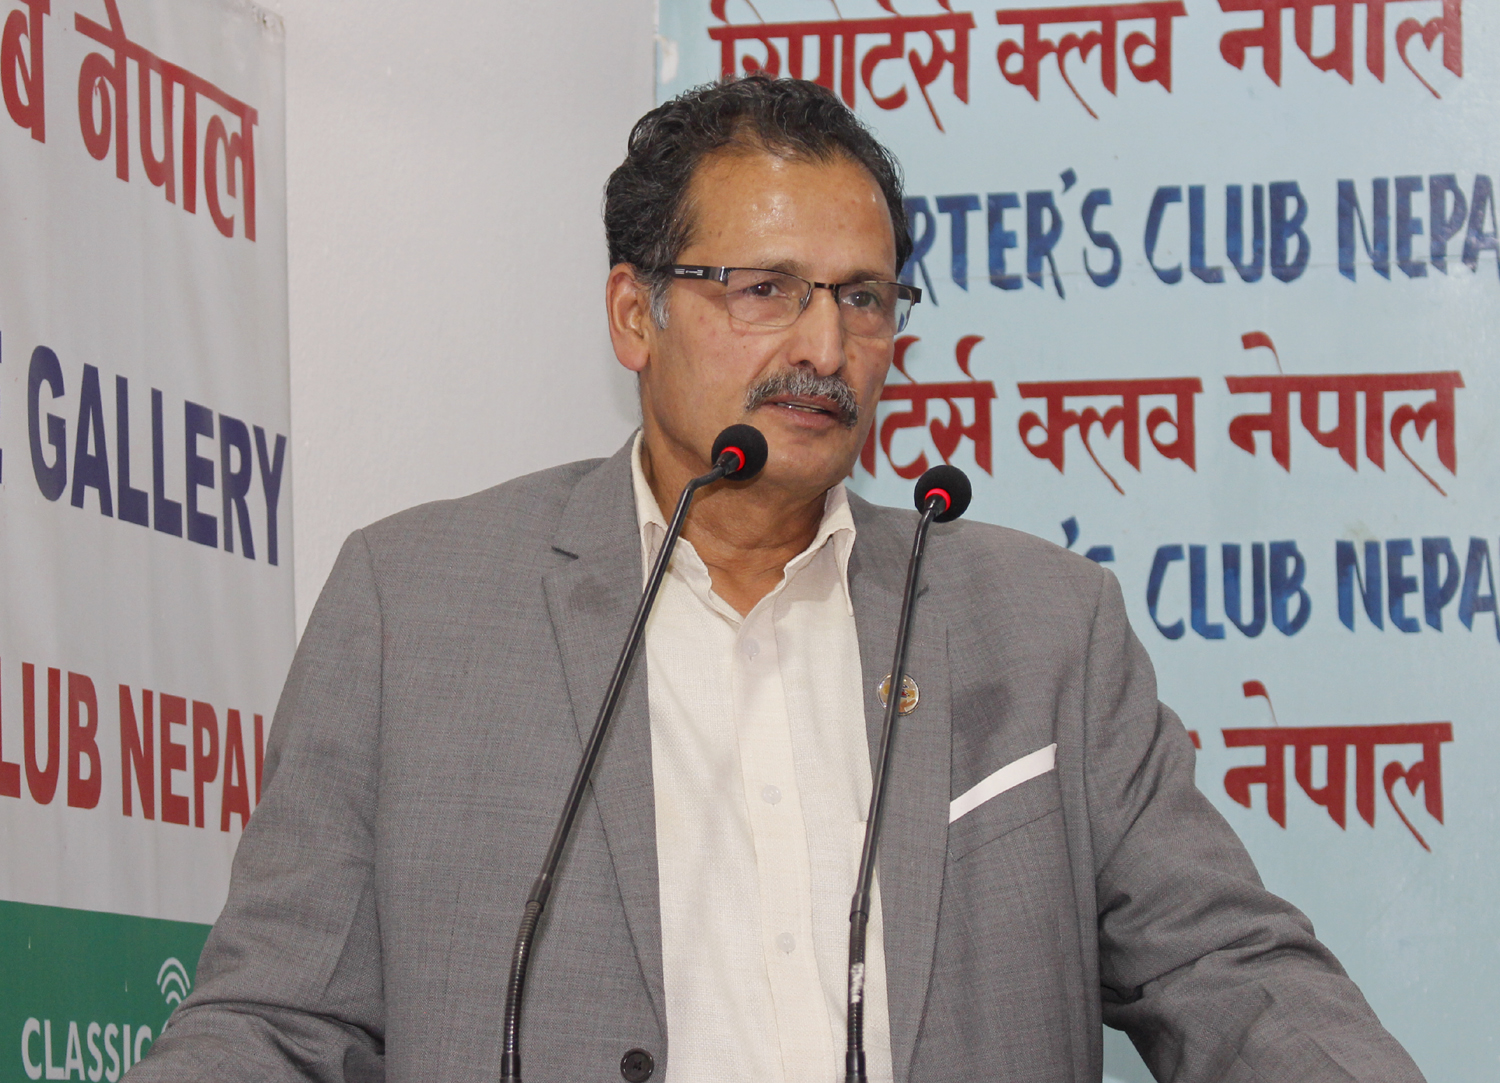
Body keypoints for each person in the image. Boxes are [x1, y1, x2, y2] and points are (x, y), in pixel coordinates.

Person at [128, 76, 1423, 1083]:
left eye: (864, 299)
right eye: (765, 291)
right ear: (633, 314)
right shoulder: (413, 609)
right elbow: (277, 1021)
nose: (825, 344)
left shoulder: (1043, 628)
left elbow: (1228, 970)